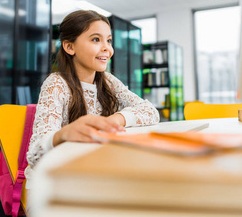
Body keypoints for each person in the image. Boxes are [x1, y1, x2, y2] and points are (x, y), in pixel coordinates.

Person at [25, 10, 160, 185]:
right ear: (69, 47)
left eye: (109, 40)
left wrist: (115, 120)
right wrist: (62, 135)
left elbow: (150, 111)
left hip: (90, 172)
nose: (107, 48)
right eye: (96, 39)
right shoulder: (56, 84)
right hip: (53, 184)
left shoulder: (107, 80)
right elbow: (35, 154)